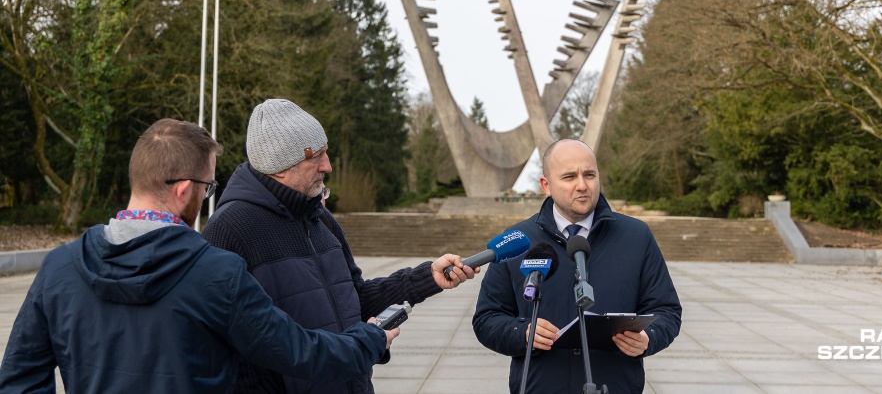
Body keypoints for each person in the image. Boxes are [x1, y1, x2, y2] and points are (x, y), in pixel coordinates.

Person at [0, 119, 397, 394]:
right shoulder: (216, 273)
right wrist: (370, 337)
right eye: (207, 188)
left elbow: (18, 379)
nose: (208, 197)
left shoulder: (58, 268)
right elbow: (302, 354)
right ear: (183, 190)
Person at [202, 99, 476, 394]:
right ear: (279, 165)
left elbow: (354, 300)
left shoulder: (322, 221)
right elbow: (219, 348)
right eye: (316, 157)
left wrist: (425, 279)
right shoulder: (228, 231)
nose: (327, 166)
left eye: (326, 152)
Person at [473, 138, 682, 393]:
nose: (582, 185)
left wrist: (648, 338)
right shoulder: (517, 241)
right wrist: (523, 333)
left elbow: (667, 310)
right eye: (569, 176)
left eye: (589, 174)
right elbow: (487, 318)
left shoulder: (636, 236)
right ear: (546, 186)